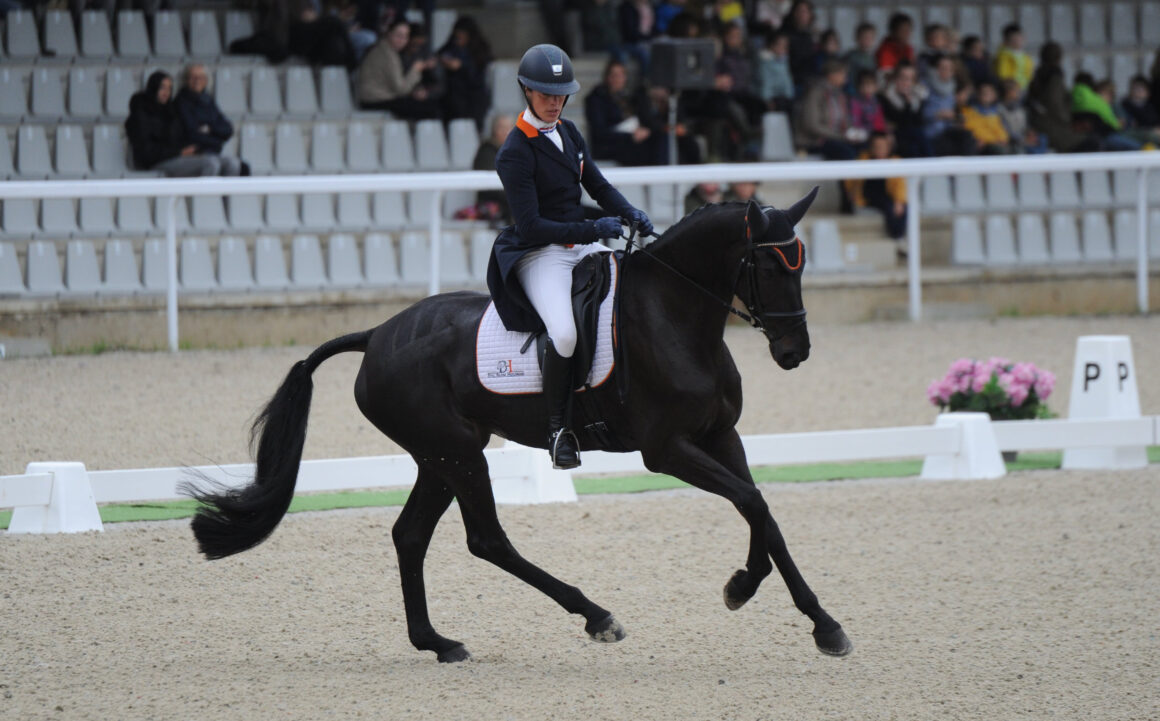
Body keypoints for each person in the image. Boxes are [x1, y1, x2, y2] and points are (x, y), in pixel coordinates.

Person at [487, 44, 652, 470]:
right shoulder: (515, 151)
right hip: (539, 252)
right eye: (546, 94)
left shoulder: (570, 132)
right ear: (526, 90)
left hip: (580, 241)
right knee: (563, 333)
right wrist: (593, 229)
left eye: (561, 94)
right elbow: (531, 226)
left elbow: (597, 186)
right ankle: (558, 428)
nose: (554, 101)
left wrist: (626, 211)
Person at [125, 71, 236, 176]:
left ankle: (225, 197)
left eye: (169, 88)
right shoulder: (140, 115)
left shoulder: (170, 111)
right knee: (210, 164)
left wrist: (193, 149)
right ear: (154, 88)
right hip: (158, 161)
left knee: (231, 164)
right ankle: (203, 196)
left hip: (178, 157)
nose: (166, 92)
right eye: (162, 87)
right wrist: (179, 152)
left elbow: (180, 138)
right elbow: (147, 152)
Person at [585, 59, 665, 165]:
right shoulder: (596, 99)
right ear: (607, 77)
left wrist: (645, 131)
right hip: (611, 144)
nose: (618, 79)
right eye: (615, 75)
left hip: (632, 139)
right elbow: (599, 131)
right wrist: (629, 136)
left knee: (661, 138)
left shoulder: (630, 97)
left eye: (622, 75)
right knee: (643, 150)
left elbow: (647, 119)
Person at [173, 63, 246, 176]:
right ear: (186, 80)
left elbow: (227, 129)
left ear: (206, 80)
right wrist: (216, 140)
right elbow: (191, 133)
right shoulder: (180, 102)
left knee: (234, 164)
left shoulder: (208, 101)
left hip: (210, 151)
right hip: (193, 154)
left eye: (201, 77)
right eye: (193, 77)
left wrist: (209, 129)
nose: (197, 81)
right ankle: (204, 194)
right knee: (212, 164)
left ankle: (226, 194)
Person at [357, 20, 440, 118]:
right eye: (398, 35)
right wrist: (416, 70)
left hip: (378, 98)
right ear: (389, 34)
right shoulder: (387, 54)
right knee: (430, 109)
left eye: (405, 37)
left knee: (427, 105)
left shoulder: (386, 50)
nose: (401, 40)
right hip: (374, 101)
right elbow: (401, 90)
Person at [1026, 42, 1099, 152]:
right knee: (1092, 143)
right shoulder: (1054, 76)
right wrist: (1067, 120)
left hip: (1043, 123)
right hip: (1052, 126)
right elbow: (1055, 103)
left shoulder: (1037, 75)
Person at [843, 132, 906, 243]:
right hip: (868, 196)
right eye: (877, 147)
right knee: (888, 206)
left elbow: (900, 184)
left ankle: (899, 236)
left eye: (882, 147)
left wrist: (899, 201)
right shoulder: (863, 160)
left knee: (903, 208)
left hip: (887, 195)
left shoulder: (895, 161)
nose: (879, 150)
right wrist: (851, 192)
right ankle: (896, 236)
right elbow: (850, 180)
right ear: (871, 148)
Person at [794, 59, 860, 159]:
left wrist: (851, 134)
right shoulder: (815, 93)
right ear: (831, 75)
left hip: (836, 139)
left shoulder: (839, 94)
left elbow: (845, 120)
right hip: (815, 141)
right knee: (846, 152)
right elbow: (812, 125)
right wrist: (840, 136)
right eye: (842, 73)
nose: (845, 77)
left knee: (865, 147)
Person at [437, 16, 493, 129]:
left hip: (474, 93)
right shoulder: (452, 45)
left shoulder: (480, 48)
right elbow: (440, 53)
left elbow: (478, 72)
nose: (459, 39)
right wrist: (446, 61)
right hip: (454, 93)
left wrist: (462, 66)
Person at [469, 114, 514, 224]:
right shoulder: (487, 151)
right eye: (501, 128)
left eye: (509, 128)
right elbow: (490, 185)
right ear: (494, 130)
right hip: (493, 201)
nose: (505, 131)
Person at [879, 61, 929, 157]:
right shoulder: (886, 96)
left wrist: (909, 102)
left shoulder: (918, 95)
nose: (906, 82)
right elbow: (900, 122)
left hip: (915, 135)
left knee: (920, 139)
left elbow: (918, 121)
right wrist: (907, 104)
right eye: (903, 78)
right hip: (897, 136)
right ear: (895, 78)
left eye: (910, 79)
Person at [960, 79, 1012, 154]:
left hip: (995, 143)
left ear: (994, 95)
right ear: (978, 94)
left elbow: (1002, 130)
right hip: (983, 146)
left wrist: (1002, 139)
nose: (986, 95)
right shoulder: (970, 111)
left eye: (989, 92)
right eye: (983, 93)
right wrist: (990, 140)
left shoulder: (997, 112)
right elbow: (973, 129)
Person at [756, 30, 795, 112]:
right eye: (779, 45)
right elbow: (765, 82)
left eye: (785, 46)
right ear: (771, 45)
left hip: (784, 97)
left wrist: (789, 95)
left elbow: (787, 80)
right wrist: (767, 100)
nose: (782, 48)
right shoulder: (765, 61)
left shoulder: (784, 61)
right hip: (772, 98)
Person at [993, 24, 1033, 94]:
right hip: (1011, 91)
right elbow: (1003, 75)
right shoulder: (1003, 56)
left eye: (1020, 37)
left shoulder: (1024, 56)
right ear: (1007, 40)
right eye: (1015, 39)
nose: (1019, 41)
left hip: (1024, 88)